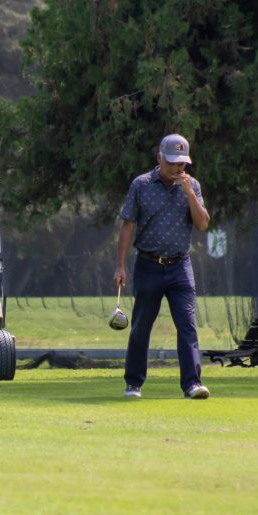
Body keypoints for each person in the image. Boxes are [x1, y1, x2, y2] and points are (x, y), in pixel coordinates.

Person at [113, 134, 211, 400]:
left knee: (187, 325)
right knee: (141, 326)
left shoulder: (193, 186)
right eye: (172, 163)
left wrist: (190, 192)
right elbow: (127, 226)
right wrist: (120, 266)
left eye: (182, 164)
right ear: (159, 158)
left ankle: (192, 384)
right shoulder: (141, 185)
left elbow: (202, 224)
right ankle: (133, 384)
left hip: (180, 266)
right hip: (148, 265)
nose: (178, 169)